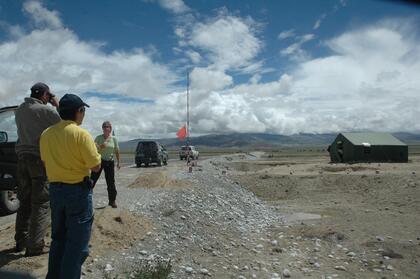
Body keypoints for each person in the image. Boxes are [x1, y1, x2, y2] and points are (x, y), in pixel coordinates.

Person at [40, 94, 101, 279]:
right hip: (77, 192)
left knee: (58, 239)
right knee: (76, 246)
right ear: (78, 112)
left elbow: (45, 162)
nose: (83, 115)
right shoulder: (81, 134)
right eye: (83, 111)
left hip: (55, 191)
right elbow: (96, 165)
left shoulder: (46, 134)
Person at [14, 82, 60, 256]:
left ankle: (21, 240)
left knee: (24, 201)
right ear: (45, 95)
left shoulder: (20, 109)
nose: (49, 99)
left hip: (21, 159)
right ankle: (34, 246)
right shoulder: (45, 111)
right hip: (38, 160)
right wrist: (57, 104)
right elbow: (67, 122)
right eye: (49, 96)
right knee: (41, 203)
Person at [91, 121, 121, 208]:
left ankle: (112, 201)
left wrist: (119, 162)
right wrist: (100, 146)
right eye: (104, 127)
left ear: (110, 128)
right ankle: (85, 198)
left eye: (107, 127)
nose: (105, 128)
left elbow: (117, 150)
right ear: (102, 128)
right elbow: (93, 149)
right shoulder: (98, 138)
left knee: (111, 182)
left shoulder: (114, 139)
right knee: (92, 179)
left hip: (110, 162)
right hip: (99, 161)